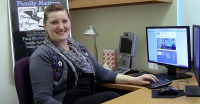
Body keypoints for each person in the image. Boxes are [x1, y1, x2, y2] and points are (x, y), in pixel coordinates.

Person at [29, 4, 158, 104]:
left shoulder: (78, 48)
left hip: (87, 97)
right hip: (66, 102)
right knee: (112, 97)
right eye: (54, 22)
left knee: (122, 96)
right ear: (45, 26)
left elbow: (101, 73)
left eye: (64, 21)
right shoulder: (42, 55)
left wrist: (135, 80)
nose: (61, 26)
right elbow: (42, 99)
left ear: (70, 22)